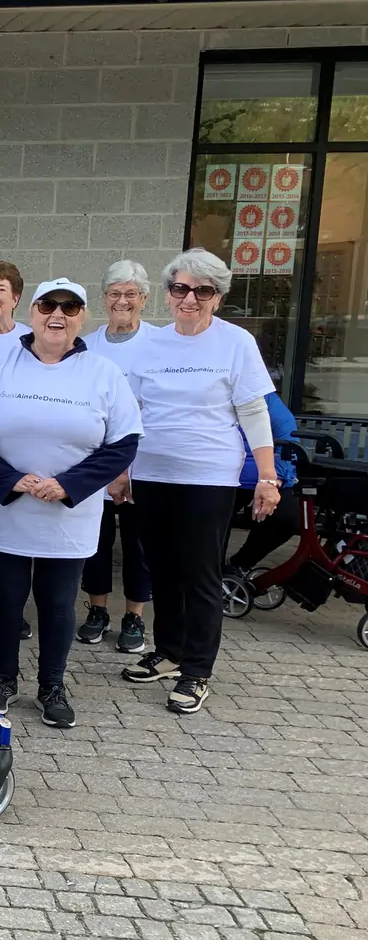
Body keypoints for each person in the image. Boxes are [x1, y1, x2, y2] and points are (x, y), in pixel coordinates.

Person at [0, 279, 143, 729]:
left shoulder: (103, 373)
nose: (57, 315)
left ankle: (51, 684)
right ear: (33, 311)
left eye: (70, 307)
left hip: (69, 512)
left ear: (82, 316)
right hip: (6, 507)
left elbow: (123, 444)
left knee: (58, 604)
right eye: (48, 305)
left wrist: (68, 484)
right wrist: (11, 480)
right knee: (5, 599)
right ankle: (4, 679)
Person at [120, 249, 280, 713]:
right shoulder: (148, 344)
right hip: (152, 472)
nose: (189, 299)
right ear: (168, 294)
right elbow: (131, 412)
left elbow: (253, 411)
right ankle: (169, 652)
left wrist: (266, 475)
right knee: (162, 568)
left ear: (218, 297)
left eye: (202, 290)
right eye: (180, 289)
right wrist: (122, 469)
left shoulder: (236, 343)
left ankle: (197, 671)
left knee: (201, 573)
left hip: (209, 476)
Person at [77, 260, 156, 654]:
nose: (121, 301)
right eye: (114, 294)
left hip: (142, 464)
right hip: (97, 465)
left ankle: (135, 616)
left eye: (130, 294)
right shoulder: (88, 345)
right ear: (104, 298)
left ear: (144, 298)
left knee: (139, 545)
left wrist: (127, 469)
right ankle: (97, 611)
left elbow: (153, 410)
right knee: (97, 541)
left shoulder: (158, 343)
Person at [228, 390, 300, 574]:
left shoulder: (263, 394)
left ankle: (240, 564)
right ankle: (209, 573)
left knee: (287, 518)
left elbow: (288, 435)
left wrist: (277, 479)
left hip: (266, 476)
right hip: (221, 477)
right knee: (212, 517)